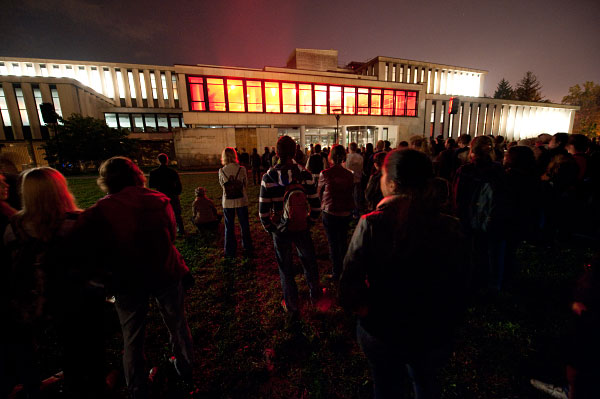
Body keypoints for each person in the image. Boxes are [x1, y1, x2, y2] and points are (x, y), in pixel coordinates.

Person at [340, 149, 467, 399]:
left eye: (383, 174)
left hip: (383, 330)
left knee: (386, 386)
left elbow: (349, 285)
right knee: (426, 383)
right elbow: (462, 283)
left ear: (393, 183)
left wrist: (367, 312)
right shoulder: (451, 226)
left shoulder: (373, 223)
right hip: (432, 330)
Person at [75, 157, 194, 399]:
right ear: (137, 175)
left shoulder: (99, 212)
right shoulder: (159, 201)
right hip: (165, 273)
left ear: (106, 180)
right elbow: (171, 235)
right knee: (178, 325)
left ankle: (137, 385)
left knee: (132, 336)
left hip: (127, 280)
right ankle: (186, 367)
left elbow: (89, 250)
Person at [3, 168, 105, 398]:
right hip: (78, 299)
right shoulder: (78, 222)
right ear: (61, 189)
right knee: (87, 351)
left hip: (35, 302)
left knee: (48, 352)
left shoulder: (14, 228)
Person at [259, 135, 324, 317]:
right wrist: (308, 222)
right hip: (302, 226)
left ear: (277, 153)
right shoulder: (305, 174)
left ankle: (292, 303)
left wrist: (272, 229)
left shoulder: (268, 177)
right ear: (295, 151)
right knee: (309, 261)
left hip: (280, 229)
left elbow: (263, 213)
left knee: (285, 267)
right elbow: (317, 206)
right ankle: (316, 296)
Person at [453, 135, 508, 294]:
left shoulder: (465, 170)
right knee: (492, 252)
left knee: (471, 251)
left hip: (469, 218)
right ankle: (492, 284)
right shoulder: (499, 170)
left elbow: (458, 197)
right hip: (492, 218)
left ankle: (471, 282)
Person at [318, 145, 354, 280]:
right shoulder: (349, 174)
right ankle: (345, 270)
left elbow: (319, 192)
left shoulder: (325, 173)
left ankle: (336, 272)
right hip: (345, 211)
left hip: (330, 211)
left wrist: (322, 205)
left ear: (331, 157)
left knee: (333, 243)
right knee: (343, 241)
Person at [219, 147, 253, 258]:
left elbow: (222, 186)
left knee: (229, 226)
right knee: (244, 225)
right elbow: (245, 184)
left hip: (227, 202)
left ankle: (230, 250)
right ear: (235, 156)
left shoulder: (221, 171)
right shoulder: (241, 169)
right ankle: (247, 248)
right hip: (241, 201)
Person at [148, 153, 185, 236]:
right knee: (177, 213)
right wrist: (177, 192)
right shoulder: (172, 171)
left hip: (161, 194)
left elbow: (151, 185)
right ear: (167, 160)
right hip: (172, 193)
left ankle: (165, 230)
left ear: (158, 161)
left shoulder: (154, 172)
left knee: (163, 212)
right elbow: (178, 184)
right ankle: (181, 229)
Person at [345, 142, 364, 218]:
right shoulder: (360, 157)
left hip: (349, 179)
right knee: (356, 197)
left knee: (349, 196)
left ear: (349, 148)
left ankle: (349, 212)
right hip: (357, 179)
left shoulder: (347, 157)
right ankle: (356, 213)